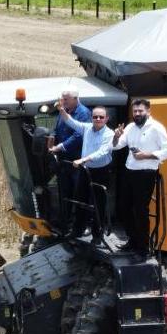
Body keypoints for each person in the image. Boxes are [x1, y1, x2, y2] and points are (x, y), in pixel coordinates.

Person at [111, 98, 167, 254]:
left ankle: (143, 247)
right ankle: (132, 240)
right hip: (129, 171)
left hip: (145, 173)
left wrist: (147, 155)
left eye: (140, 111)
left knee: (140, 210)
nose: (137, 114)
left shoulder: (157, 128)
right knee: (124, 208)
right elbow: (117, 146)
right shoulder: (131, 127)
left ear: (148, 111)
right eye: (135, 111)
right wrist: (116, 136)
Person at [49, 103, 114, 245]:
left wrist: (83, 159)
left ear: (106, 119)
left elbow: (102, 152)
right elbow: (71, 122)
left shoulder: (109, 134)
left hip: (101, 171)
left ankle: (97, 235)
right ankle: (78, 230)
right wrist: (61, 109)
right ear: (91, 118)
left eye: (101, 117)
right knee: (80, 200)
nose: (97, 119)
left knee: (98, 204)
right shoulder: (87, 128)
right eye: (95, 116)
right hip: (86, 170)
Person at [49, 90, 91, 231]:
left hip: (77, 160)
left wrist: (60, 147)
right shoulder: (64, 111)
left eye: (66, 99)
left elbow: (79, 136)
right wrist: (52, 138)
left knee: (78, 193)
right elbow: (57, 128)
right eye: (62, 98)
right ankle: (65, 222)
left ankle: (80, 225)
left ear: (75, 98)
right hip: (64, 161)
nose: (63, 101)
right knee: (65, 192)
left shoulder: (84, 113)